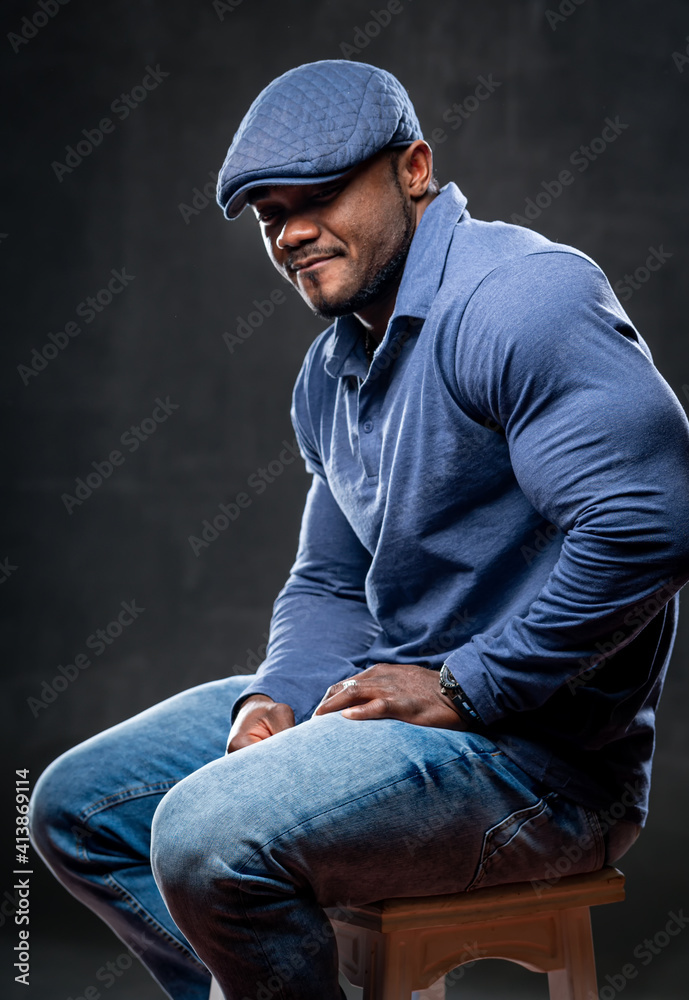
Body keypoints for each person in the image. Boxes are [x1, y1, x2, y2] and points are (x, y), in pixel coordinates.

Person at [29, 59, 689, 1000]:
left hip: (545, 772)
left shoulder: (519, 300)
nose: (293, 232)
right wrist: (279, 701)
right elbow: (331, 582)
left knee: (206, 833)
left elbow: (650, 525)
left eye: (320, 195)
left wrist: (467, 687)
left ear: (413, 168)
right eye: (268, 215)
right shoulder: (332, 373)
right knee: (76, 808)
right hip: (391, 717)